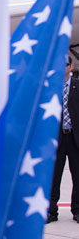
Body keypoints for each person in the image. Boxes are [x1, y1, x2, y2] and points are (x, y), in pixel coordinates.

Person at [48, 56, 79, 223]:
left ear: (71, 66)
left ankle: (77, 210)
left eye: (65, 64)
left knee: (77, 175)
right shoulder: (51, 87)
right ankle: (51, 211)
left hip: (74, 138)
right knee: (54, 176)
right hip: (57, 138)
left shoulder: (77, 86)